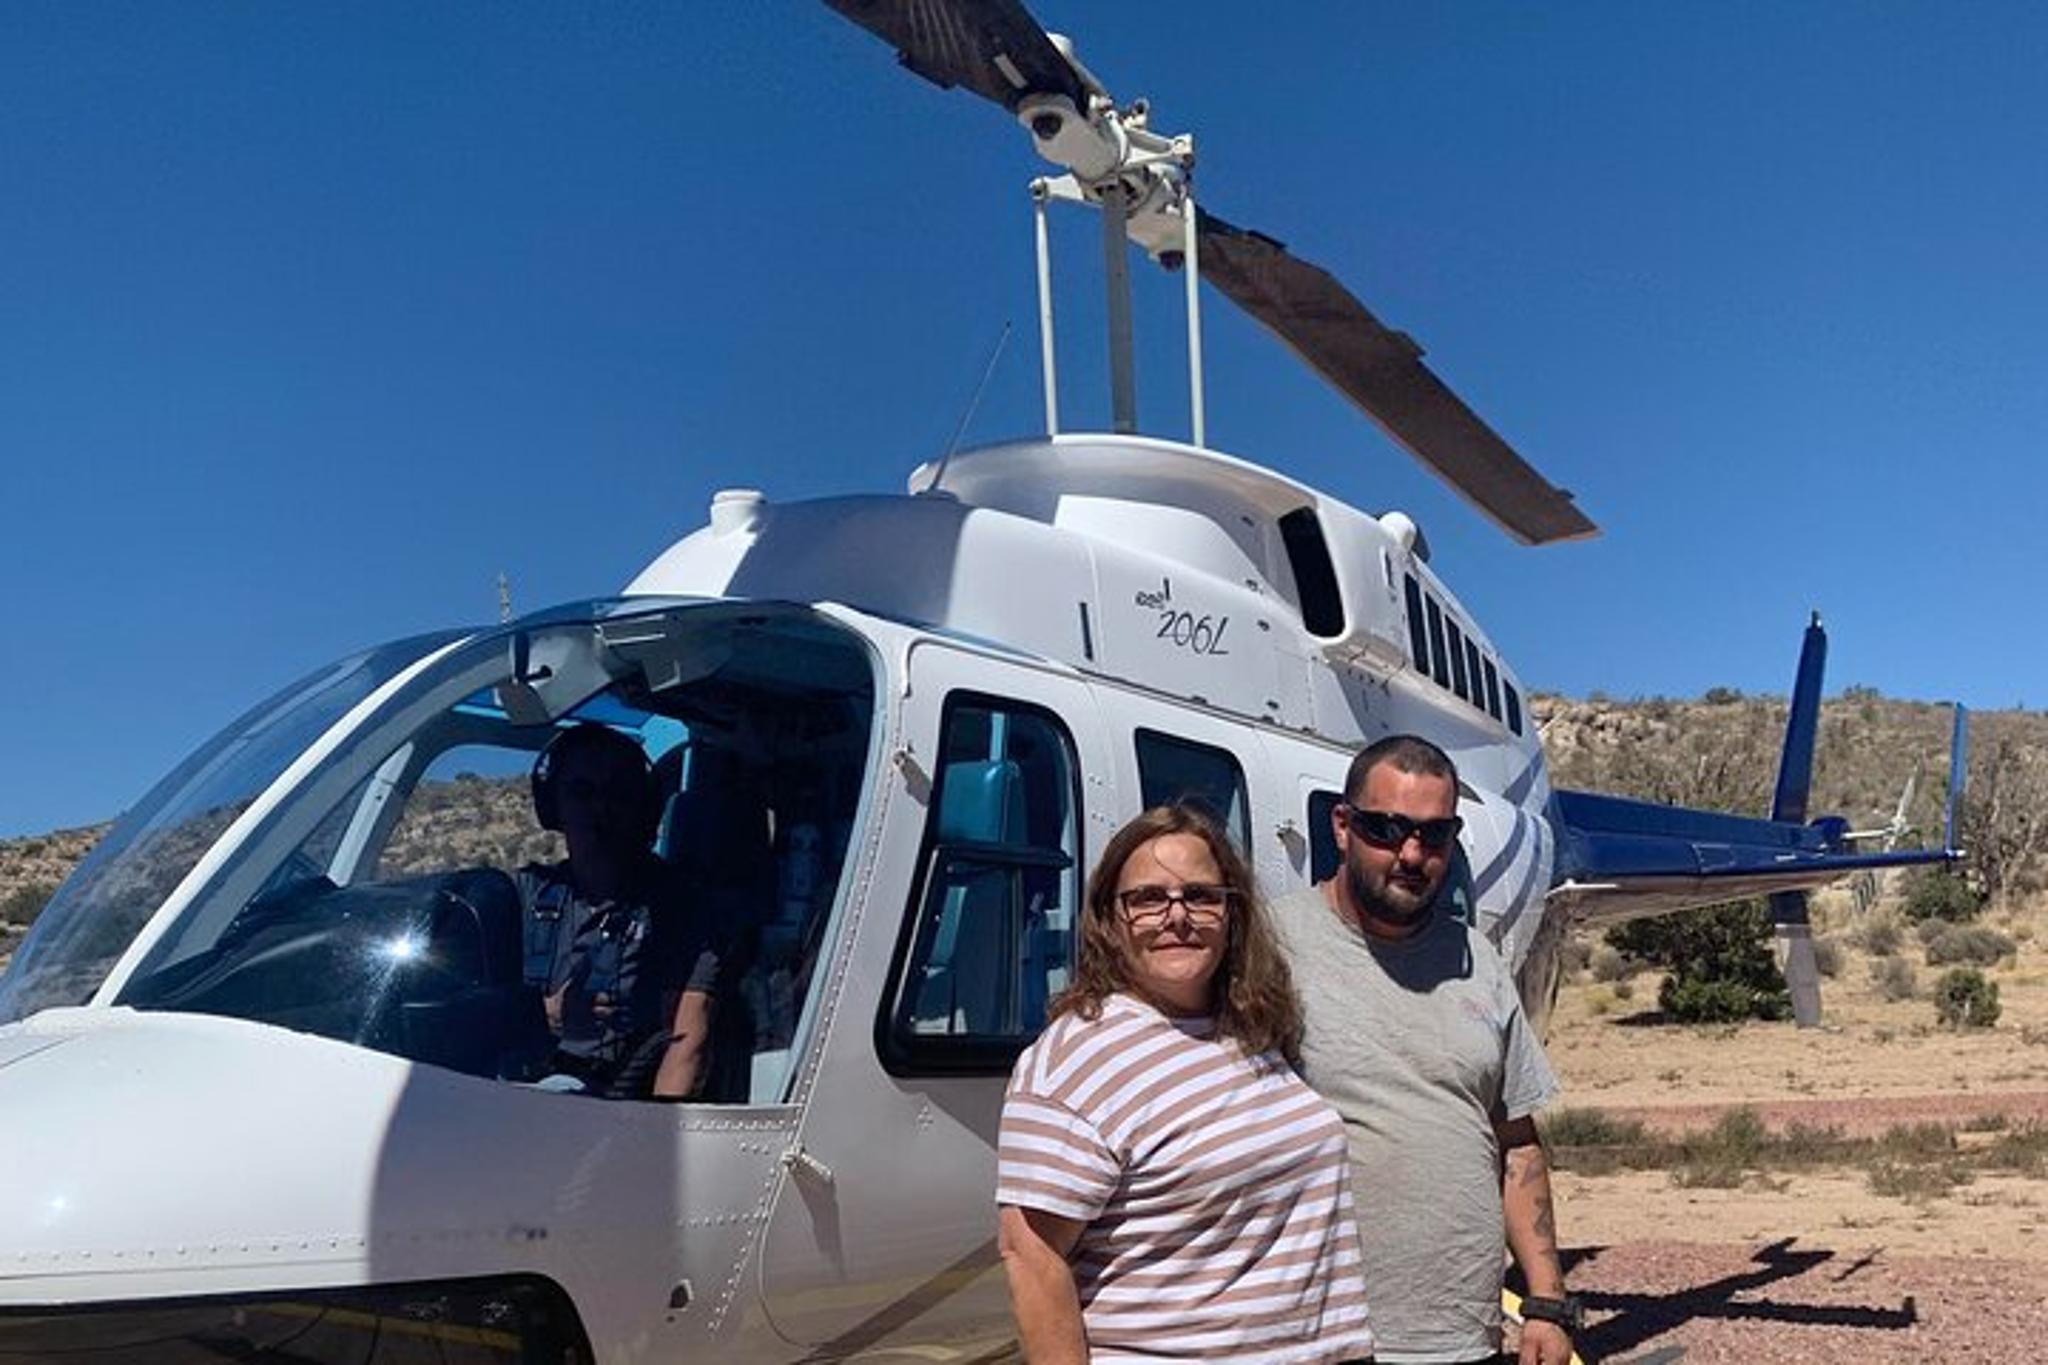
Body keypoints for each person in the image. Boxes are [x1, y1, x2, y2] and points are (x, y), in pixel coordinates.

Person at [995, 803, 1376, 1364]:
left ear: (1231, 913)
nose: (1177, 916)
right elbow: (1031, 1256)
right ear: (1110, 919)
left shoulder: (1248, 1030)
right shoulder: (1078, 1057)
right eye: (1147, 899)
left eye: (1200, 896)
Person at [1271, 735, 1573, 1365]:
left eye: (1434, 836)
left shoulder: (1477, 961)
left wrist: (1546, 1300)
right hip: (1315, 1338)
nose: (1411, 854)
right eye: (1386, 829)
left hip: (1461, 1337)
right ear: (1343, 826)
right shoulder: (1270, 947)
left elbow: (1516, 1142)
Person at [518, 722, 732, 1099]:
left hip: (619, 1107)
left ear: (643, 808)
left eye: (618, 794)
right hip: (513, 1096)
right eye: (582, 792)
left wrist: (653, 1126)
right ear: (552, 805)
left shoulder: (684, 911)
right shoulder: (523, 896)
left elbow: (687, 1044)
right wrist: (545, 1015)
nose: (600, 809)